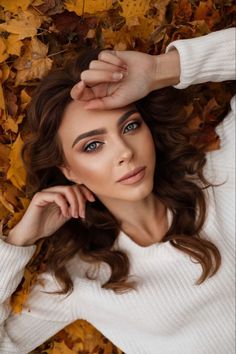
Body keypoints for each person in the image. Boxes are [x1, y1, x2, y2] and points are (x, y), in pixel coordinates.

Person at [0, 27, 235, 354]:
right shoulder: (80, 281)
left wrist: (159, 71)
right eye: (93, 145)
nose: (125, 150)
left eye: (130, 126)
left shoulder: (223, 169)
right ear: (67, 171)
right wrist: (18, 242)